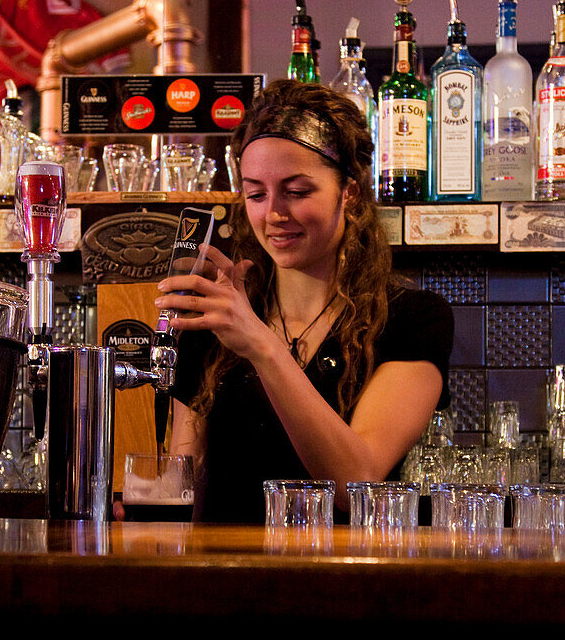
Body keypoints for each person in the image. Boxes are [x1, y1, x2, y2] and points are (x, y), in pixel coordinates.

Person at [157, 79, 453, 523]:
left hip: (342, 583)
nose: (274, 213)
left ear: (349, 193)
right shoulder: (219, 319)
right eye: (256, 193)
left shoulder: (413, 319)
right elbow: (182, 484)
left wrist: (262, 345)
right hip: (224, 581)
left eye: (296, 192)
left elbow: (360, 487)